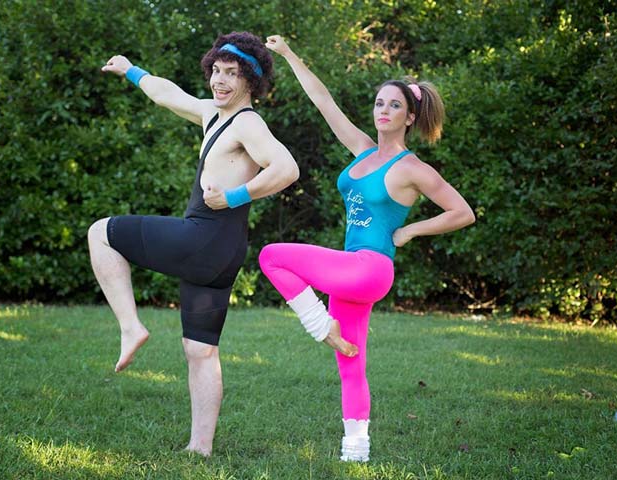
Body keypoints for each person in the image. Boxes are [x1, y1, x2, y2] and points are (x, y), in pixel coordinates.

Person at [259, 35, 475, 462]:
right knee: (351, 363)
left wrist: (410, 232)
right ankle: (356, 450)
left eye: (394, 105)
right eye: (379, 103)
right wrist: (287, 55)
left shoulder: (412, 167)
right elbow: (324, 102)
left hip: (369, 269)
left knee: (272, 256)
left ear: (410, 116)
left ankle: (321, 328)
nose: (383, 110)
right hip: (350, 273)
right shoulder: (361, 150)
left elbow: (462, 212)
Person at [88, 31, 299, 456]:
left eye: (231, 74)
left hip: (204, 237)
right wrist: (131, 70)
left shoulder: (248, 122)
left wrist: (236, 195)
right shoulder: (215, 114)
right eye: (216, 72)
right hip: (223, 251)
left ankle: (131, 327)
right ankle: (199, 448)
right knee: (200, 349)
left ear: (251, 82)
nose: (219, 81)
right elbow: (169, 94)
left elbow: (287, 168)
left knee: (101, 232)